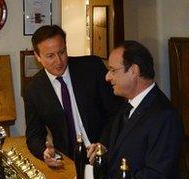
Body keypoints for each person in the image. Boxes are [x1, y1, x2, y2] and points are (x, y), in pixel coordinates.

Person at [101, 40, 188, 179]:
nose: (108, 77)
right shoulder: (127, 104)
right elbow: (120, 145)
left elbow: (155, 174)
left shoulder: (164, 115)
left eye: (113, 70)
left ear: (134, 71)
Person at [23, 25, 120, 167]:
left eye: (62, 52)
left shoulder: (91, 67)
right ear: (37, 56)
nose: (59, 61)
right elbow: (34, 136)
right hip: (68, 162)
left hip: (105, 153)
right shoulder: (33, 89)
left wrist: (102, 144)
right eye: (50, 56)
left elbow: (117, 111)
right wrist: (44, 151)